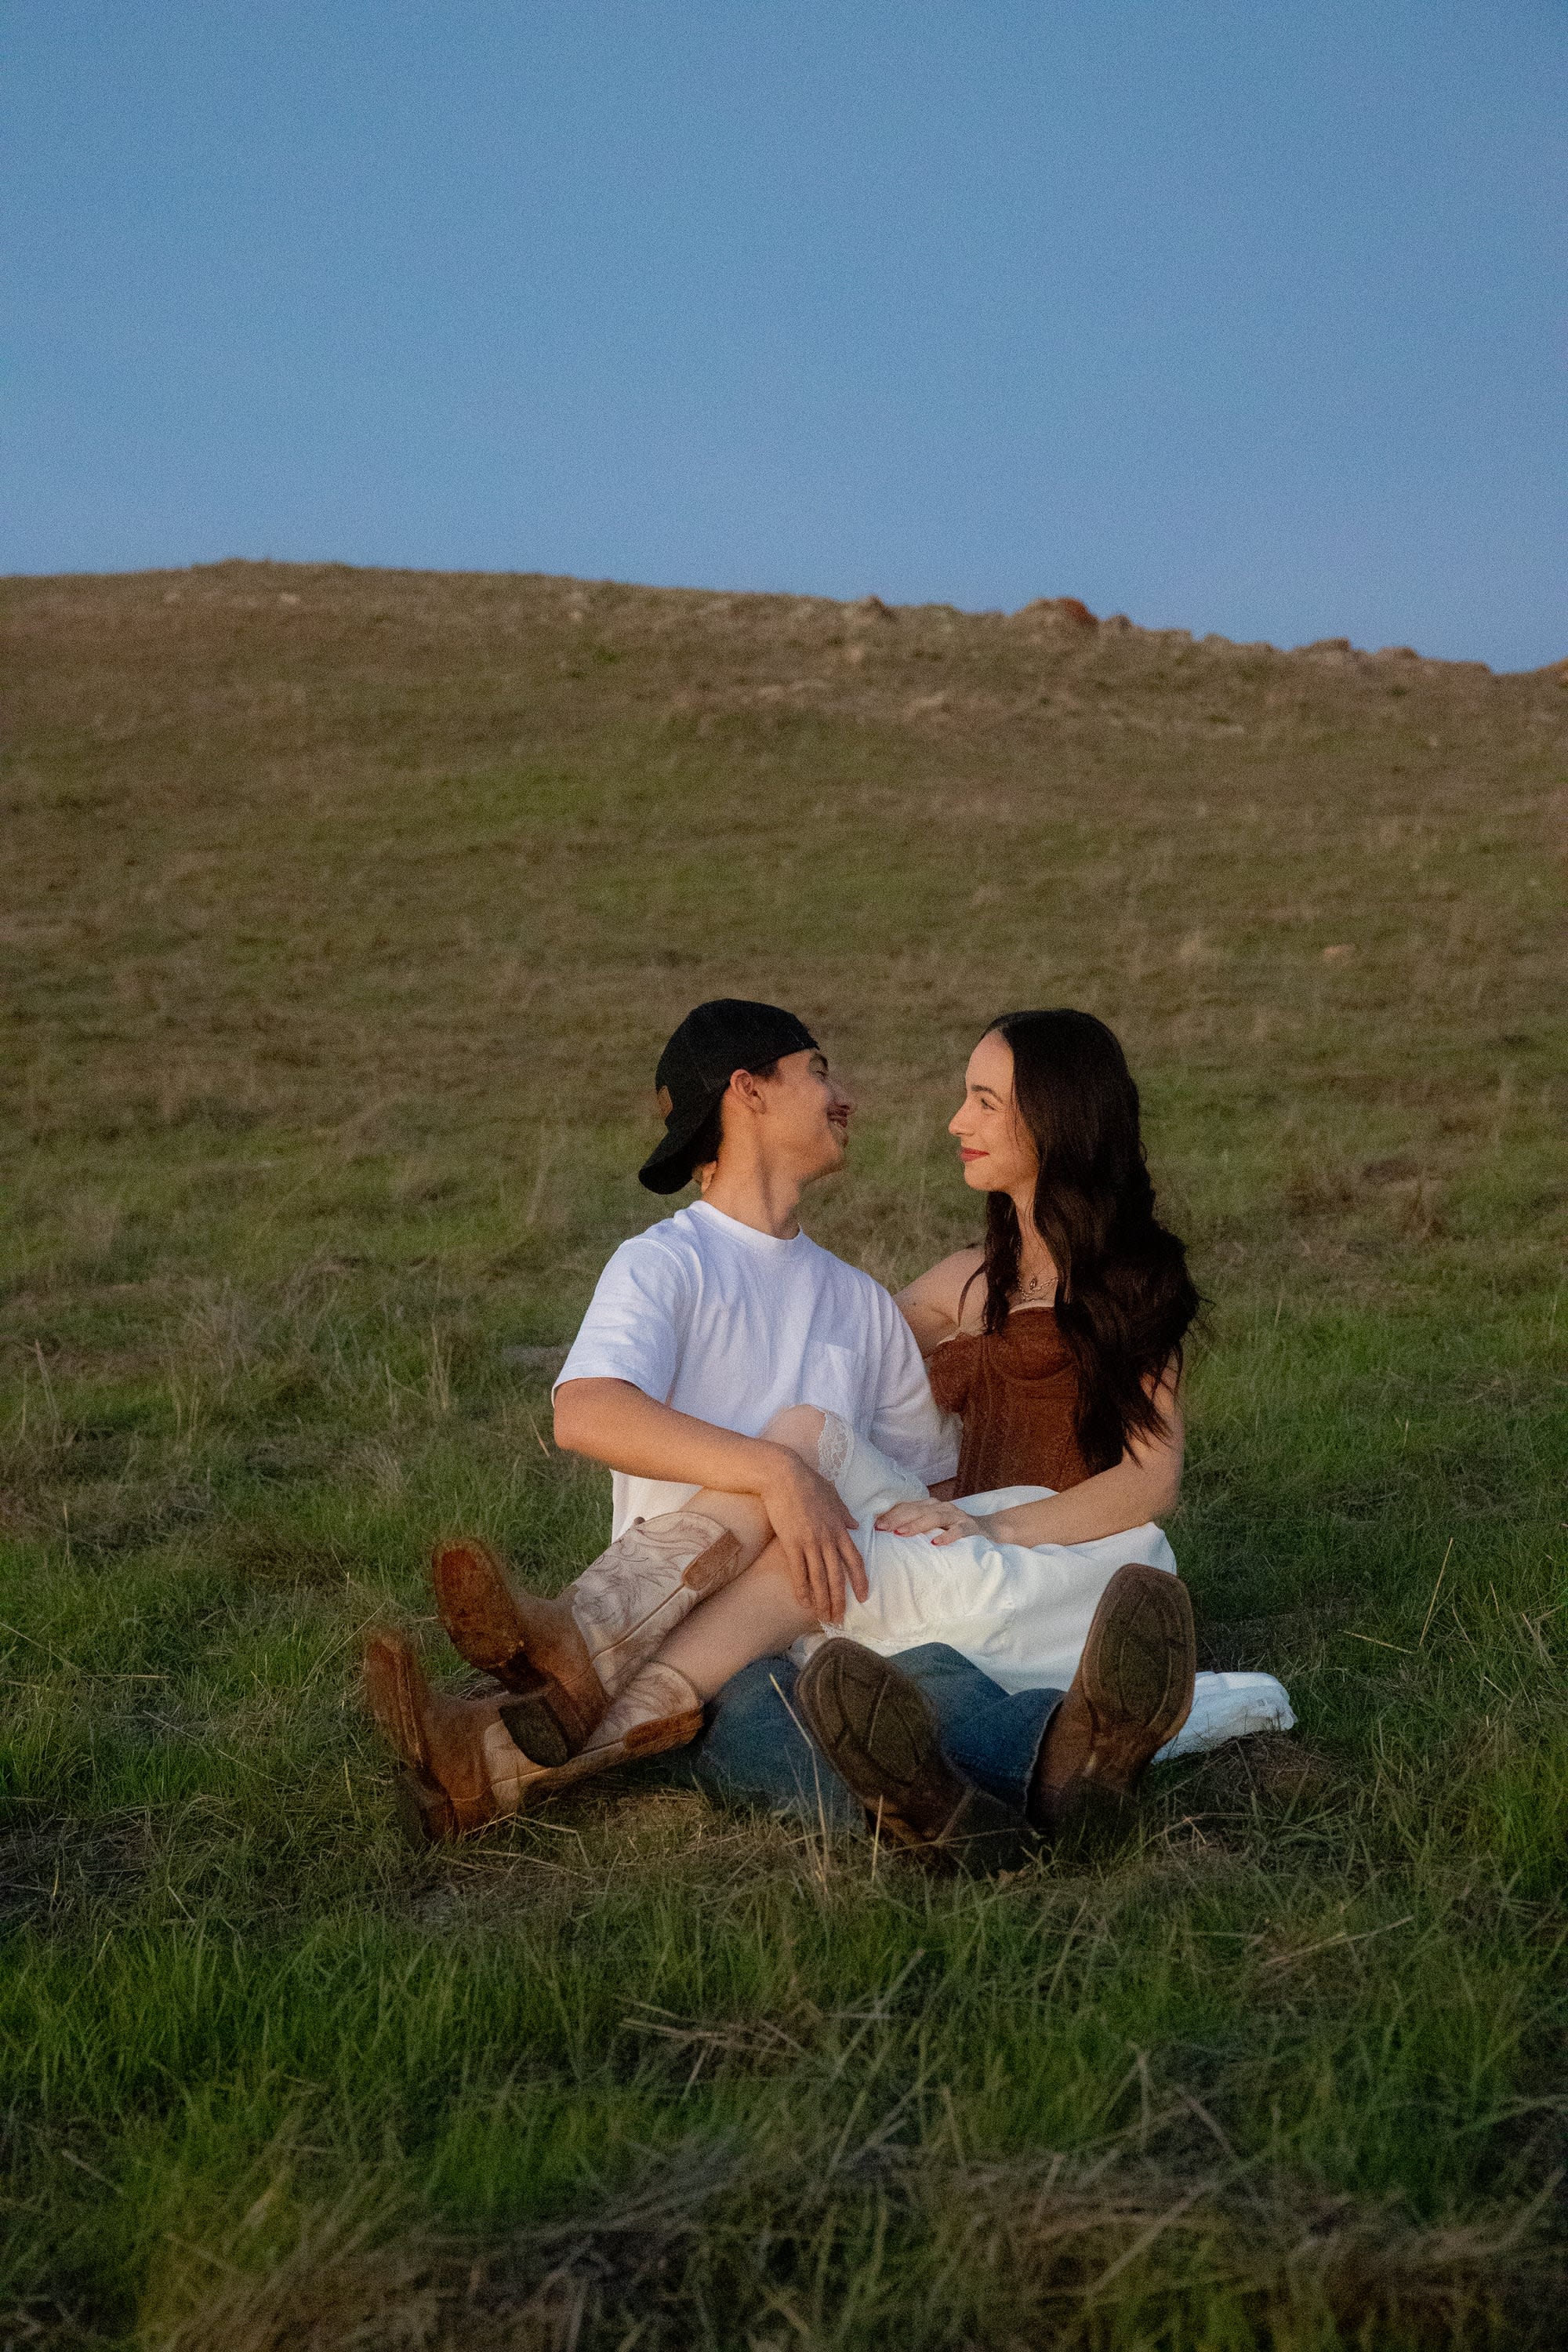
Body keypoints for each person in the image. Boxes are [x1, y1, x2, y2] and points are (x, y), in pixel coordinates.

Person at [364, 1000, 1222, 1857]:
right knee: (773, 1690)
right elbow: (583, 1409)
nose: (852, 1096)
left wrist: (967, 1524)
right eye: (819, 1070)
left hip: (841, 1578)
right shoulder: (669, 1264)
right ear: (749, 1091)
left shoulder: (859, 1302)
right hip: (709, 1607)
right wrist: (779, 1478)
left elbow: (938, 1485)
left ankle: (524, 1722)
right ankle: (1000, 1792)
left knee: (918, 1670)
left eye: (982, 1100)